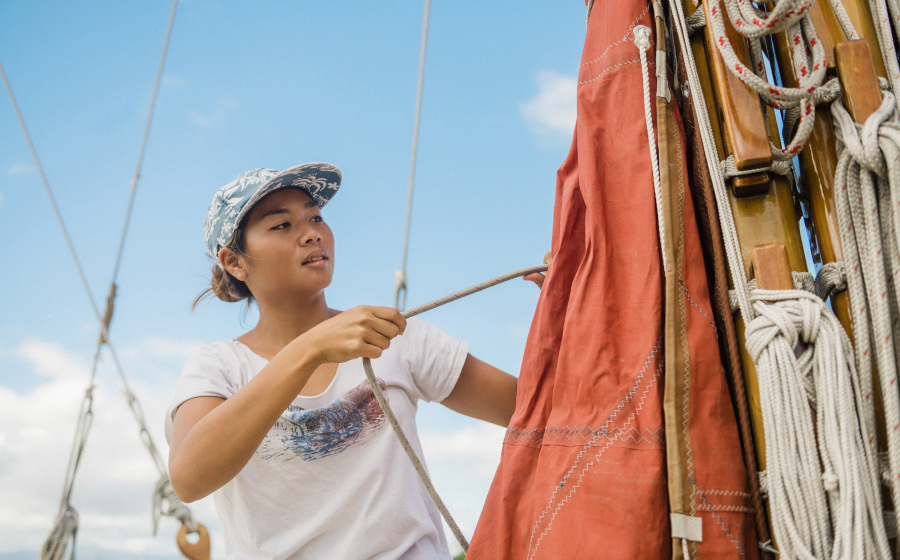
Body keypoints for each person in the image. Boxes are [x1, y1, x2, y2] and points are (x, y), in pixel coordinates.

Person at [165, 162, 541, 560]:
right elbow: (189, 479)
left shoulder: (393, 336)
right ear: (235, 262)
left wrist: (565, 316)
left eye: (316, 217)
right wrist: (309, 350)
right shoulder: (218, 366)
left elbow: (539, 414)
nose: (312, 233)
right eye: (281, 225)